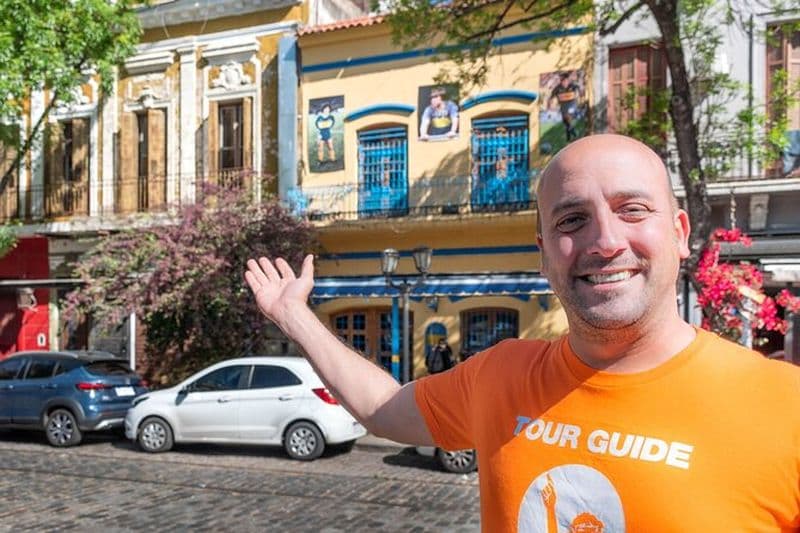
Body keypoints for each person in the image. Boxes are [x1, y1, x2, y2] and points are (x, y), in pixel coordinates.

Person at [245, 134, 800, 531]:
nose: (604, 241)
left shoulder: (785, 408)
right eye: (571, 220)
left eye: (632, 209)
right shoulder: (502, 374)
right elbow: (384, 407)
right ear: (544, 255)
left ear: (680, 233)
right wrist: (294, 315)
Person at [550, 72, 581, 142]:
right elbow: (552, 96)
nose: (564, 82)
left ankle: (575, 135)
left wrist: (580, 94)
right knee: (566, 123)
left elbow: (579, 89)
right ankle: (569, 138)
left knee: (568, 118)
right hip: (563, 107)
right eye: (562, 81)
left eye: (565, 80)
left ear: (567, 80)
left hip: (572, 105)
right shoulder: (557, 88)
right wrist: (551, 103)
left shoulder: (572, 86)